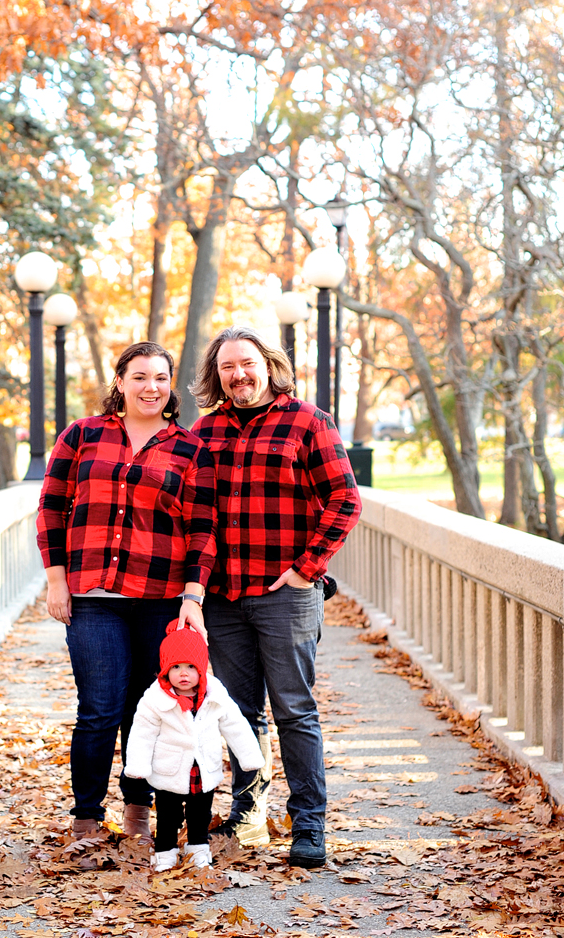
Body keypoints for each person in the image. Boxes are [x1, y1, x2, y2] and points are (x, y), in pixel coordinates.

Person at [190, 325, 362, 868]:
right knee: (240, 713)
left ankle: (309, 826)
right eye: (226, 368)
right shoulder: (206, 431)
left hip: (284, 592)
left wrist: (306, 570)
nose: (238, 375)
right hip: (223, 596)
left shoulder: (308, 422)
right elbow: (199, 516)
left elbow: (344, 498)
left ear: (268, 365)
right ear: (215, 376)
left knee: (294, 710)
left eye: (247, 364)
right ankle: (249, 814)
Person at [37, 341, 218, 841]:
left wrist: (192, 594)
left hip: (159, 598)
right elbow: (51, 508)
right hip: (93, 596)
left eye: (160, 378)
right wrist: (57, 581)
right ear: (120, 382)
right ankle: (87, 817)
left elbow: (202, 529)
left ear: (170, 386)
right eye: (139, 377)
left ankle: (139, 809)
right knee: (99, 707)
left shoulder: (189, 449)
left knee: (150, 708)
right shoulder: (83, 436)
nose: (150, 387)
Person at [124, 619, 265, 871]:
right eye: (176, 666)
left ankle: (198, 847)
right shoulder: (155, 699)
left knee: (200, 814)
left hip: (203, 769)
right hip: (169, 770)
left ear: (202, 668)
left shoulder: (215, 695)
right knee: (168, 815)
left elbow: (235, 724)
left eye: (191, 666)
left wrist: (249, 757)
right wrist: (137, 765)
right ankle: (165, 850)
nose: (184, 673)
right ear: (165, 669)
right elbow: (142, 732)